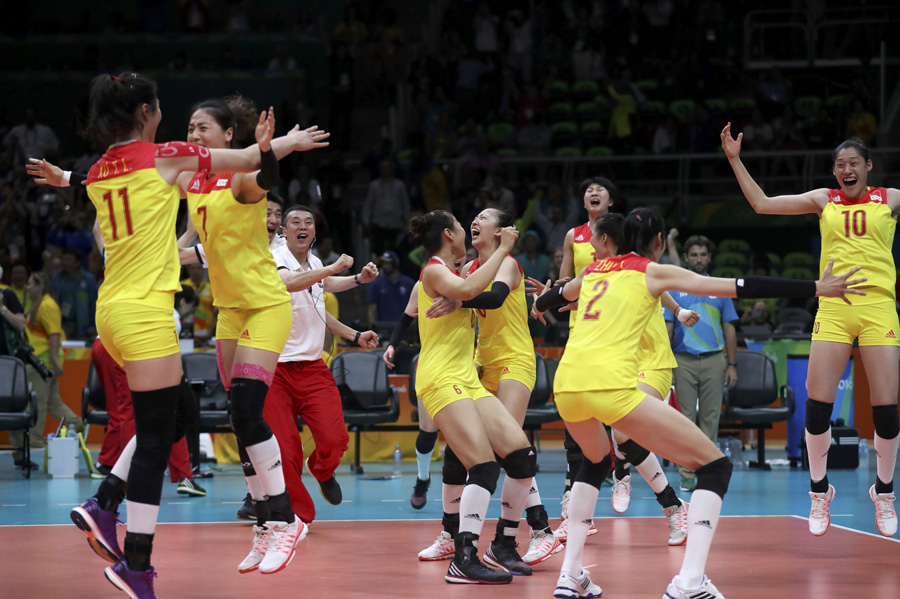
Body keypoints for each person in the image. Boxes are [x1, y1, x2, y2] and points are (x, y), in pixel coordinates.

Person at [50, 72, 320, 598]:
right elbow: (206, 218)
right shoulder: (182, 172)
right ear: (148, 111)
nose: (192, 132)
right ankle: (136, 544)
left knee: (199, 414)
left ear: (224, 133)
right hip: (181, 312)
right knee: (176, 426)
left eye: (203, 126)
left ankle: (274, 521)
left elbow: (253, 177)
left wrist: (270, 150)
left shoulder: (124, 166)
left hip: (234, 305)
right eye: (187, 124)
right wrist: (271, 146)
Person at [532, 206, 863, 599]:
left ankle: (571, 575)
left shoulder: (594, 270)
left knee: (594, 461)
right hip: (609, 387)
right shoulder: (652, 271)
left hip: (567, 384)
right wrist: (814, 288)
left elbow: (553, 296)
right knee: (715, 467)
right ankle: (689, 582)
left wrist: (539, 304)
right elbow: (740, 285)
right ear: (659, 242)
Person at [722, 124, 900, 538]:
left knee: (887, 409)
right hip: (835, 306)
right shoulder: (824, 200)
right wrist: (734, 158)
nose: (846, 169)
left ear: (868, 167)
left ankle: (885, 491)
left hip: (878, 308)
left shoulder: (889, 200)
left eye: (854, 163)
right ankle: (820, 490)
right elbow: (762, 204)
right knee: (818, 407)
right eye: (840, 165)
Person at [421, 207, 563, 567]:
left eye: (485, 217)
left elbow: (496, 297)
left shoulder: (509, 263)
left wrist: (460, 299)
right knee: (457, 452)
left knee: (507, 449)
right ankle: (450, 535)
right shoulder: (467, 271)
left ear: (502, 232)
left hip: (514, 360)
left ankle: (538, 531)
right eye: (474, 217)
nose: (475, 221)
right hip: (479, 364)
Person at [252, 204, 378, 547]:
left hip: (312, 368)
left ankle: (321, 469)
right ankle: (298, 518)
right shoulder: (275, 257)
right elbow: (291, 284)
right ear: (284, 231)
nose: (302, 226)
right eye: (295, 222)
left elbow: (319, 304)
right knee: (285, 448)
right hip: (275, 370)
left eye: (308, 221)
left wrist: (355, 287)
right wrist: (336, 267)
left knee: (336, 439)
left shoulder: (317, 264)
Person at [663, 234, 739, 492]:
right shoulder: (674, 288)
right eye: (693, 254)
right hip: (682, 361)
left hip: (714, 361)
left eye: (703, 254)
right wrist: (667, 364)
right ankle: (686, 474)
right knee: (685, 420)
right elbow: (667, 328)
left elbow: (729, 327)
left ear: (709, 258)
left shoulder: (720, 287)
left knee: (710, 420)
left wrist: (731, 364)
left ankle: (706, 472)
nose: (698, 258)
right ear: (686, 258)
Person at [10, 272, 84, 466]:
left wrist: (53, 362)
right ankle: (77, 424)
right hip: (40, 362)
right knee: (52, 402)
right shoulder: (35, 305)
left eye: (30, 284)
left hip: (42, 363)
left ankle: (34, 441)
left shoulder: (48, 305)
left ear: (40, 286)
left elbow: (54, 335)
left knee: (37, 404)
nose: (27, 288)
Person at [1, 274, 29, 467]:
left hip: (10, 363)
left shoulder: (8, 295)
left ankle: (20, 455)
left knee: (16, 404)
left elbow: (21, 324)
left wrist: (2, 309)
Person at [362, 160, 410, 255]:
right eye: (383, 168)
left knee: (395, 248)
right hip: (379, 222)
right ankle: (378, 267)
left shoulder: (399, 185)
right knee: (378, 248)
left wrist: (406, 219)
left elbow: (405, 204)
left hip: (395, 222)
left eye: (388, 168)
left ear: (392, 170)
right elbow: (368, 204)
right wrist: (366, 220)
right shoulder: (374, 185)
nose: (386, 170)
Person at [51, 248, 98, 339]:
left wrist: (94, 325)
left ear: (77, 262)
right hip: (63, 325)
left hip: (84, 326)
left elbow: (94, 303)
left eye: (68, 259)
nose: (65, 263)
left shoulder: (88, 279)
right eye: (63, 259)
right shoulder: (56, 279)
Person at [366, 250, 415, 326]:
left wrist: (413, 330)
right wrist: (372, 329)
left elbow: (416, 308)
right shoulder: (376, 284)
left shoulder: (409, 283)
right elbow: (371, 310)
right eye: (383, 264)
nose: (384, 266)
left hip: (404, 329)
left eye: (387, 263)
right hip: (383, 328)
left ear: (395, 263)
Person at [180, 262, 215, 345]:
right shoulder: (181, 287)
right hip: (184, 333)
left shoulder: (211, 288)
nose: (196, 271)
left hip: (205, 334)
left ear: (203, 269)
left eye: (198, 268)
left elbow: (217, 313)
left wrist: (211, 331)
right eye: (193, 268)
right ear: (188, 270)